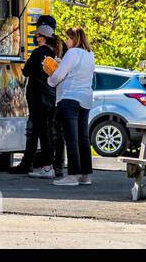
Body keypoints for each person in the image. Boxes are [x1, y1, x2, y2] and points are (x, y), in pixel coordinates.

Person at [48, 26, 95, 187]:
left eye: (67, 38)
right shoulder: (90, 54)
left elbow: (59, 75)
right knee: (83, 138)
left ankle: (73, 175)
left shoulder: (72, 52)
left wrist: (51, 78)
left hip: (69, 97)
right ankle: (85, 174)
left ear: (74, 39)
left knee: (71, 138)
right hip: (85, 98)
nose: (66, 41)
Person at [15, 20, 60, 178]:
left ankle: (46, 166)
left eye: (37, 35)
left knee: (40, 131)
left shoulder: (37, 52)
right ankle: (49, 164)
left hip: (36, 96)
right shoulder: (54, 53)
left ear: (42, 37)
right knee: (47, 131)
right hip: (50, 95)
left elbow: (26, 72)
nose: (36, 38)